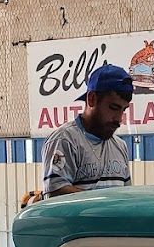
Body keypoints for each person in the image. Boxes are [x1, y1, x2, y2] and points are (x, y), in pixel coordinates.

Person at [41, 63, 133, 196]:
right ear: (91, 99)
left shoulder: (120, 146)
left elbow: (126, 196)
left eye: (123, 110)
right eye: (113, 107)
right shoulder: (65, 141)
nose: (119, 118)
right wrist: (108, 204)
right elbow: (55, 193)